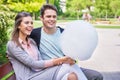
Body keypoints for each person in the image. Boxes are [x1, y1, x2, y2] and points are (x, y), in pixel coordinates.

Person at [30, 4, 103, 80]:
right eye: (48, 16)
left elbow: (74, 53)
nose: (52, 19)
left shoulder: (64, 32)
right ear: (41, 18)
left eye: (54, 16)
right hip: (51, 70)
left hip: (69, 66)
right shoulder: (35, 34)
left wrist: (73, 58)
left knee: (96, 76)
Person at [6, 12, 87, 80]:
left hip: (41, 74)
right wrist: (59, 60)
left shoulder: (32, 42)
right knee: (66, 66)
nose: (30, 25)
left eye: (31, 23)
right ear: (18, 26)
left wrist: (60, 60)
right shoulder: (13, 44)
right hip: (29, 78)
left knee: (71, 76)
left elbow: (40, 60)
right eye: (26, 23)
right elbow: (33, 63)